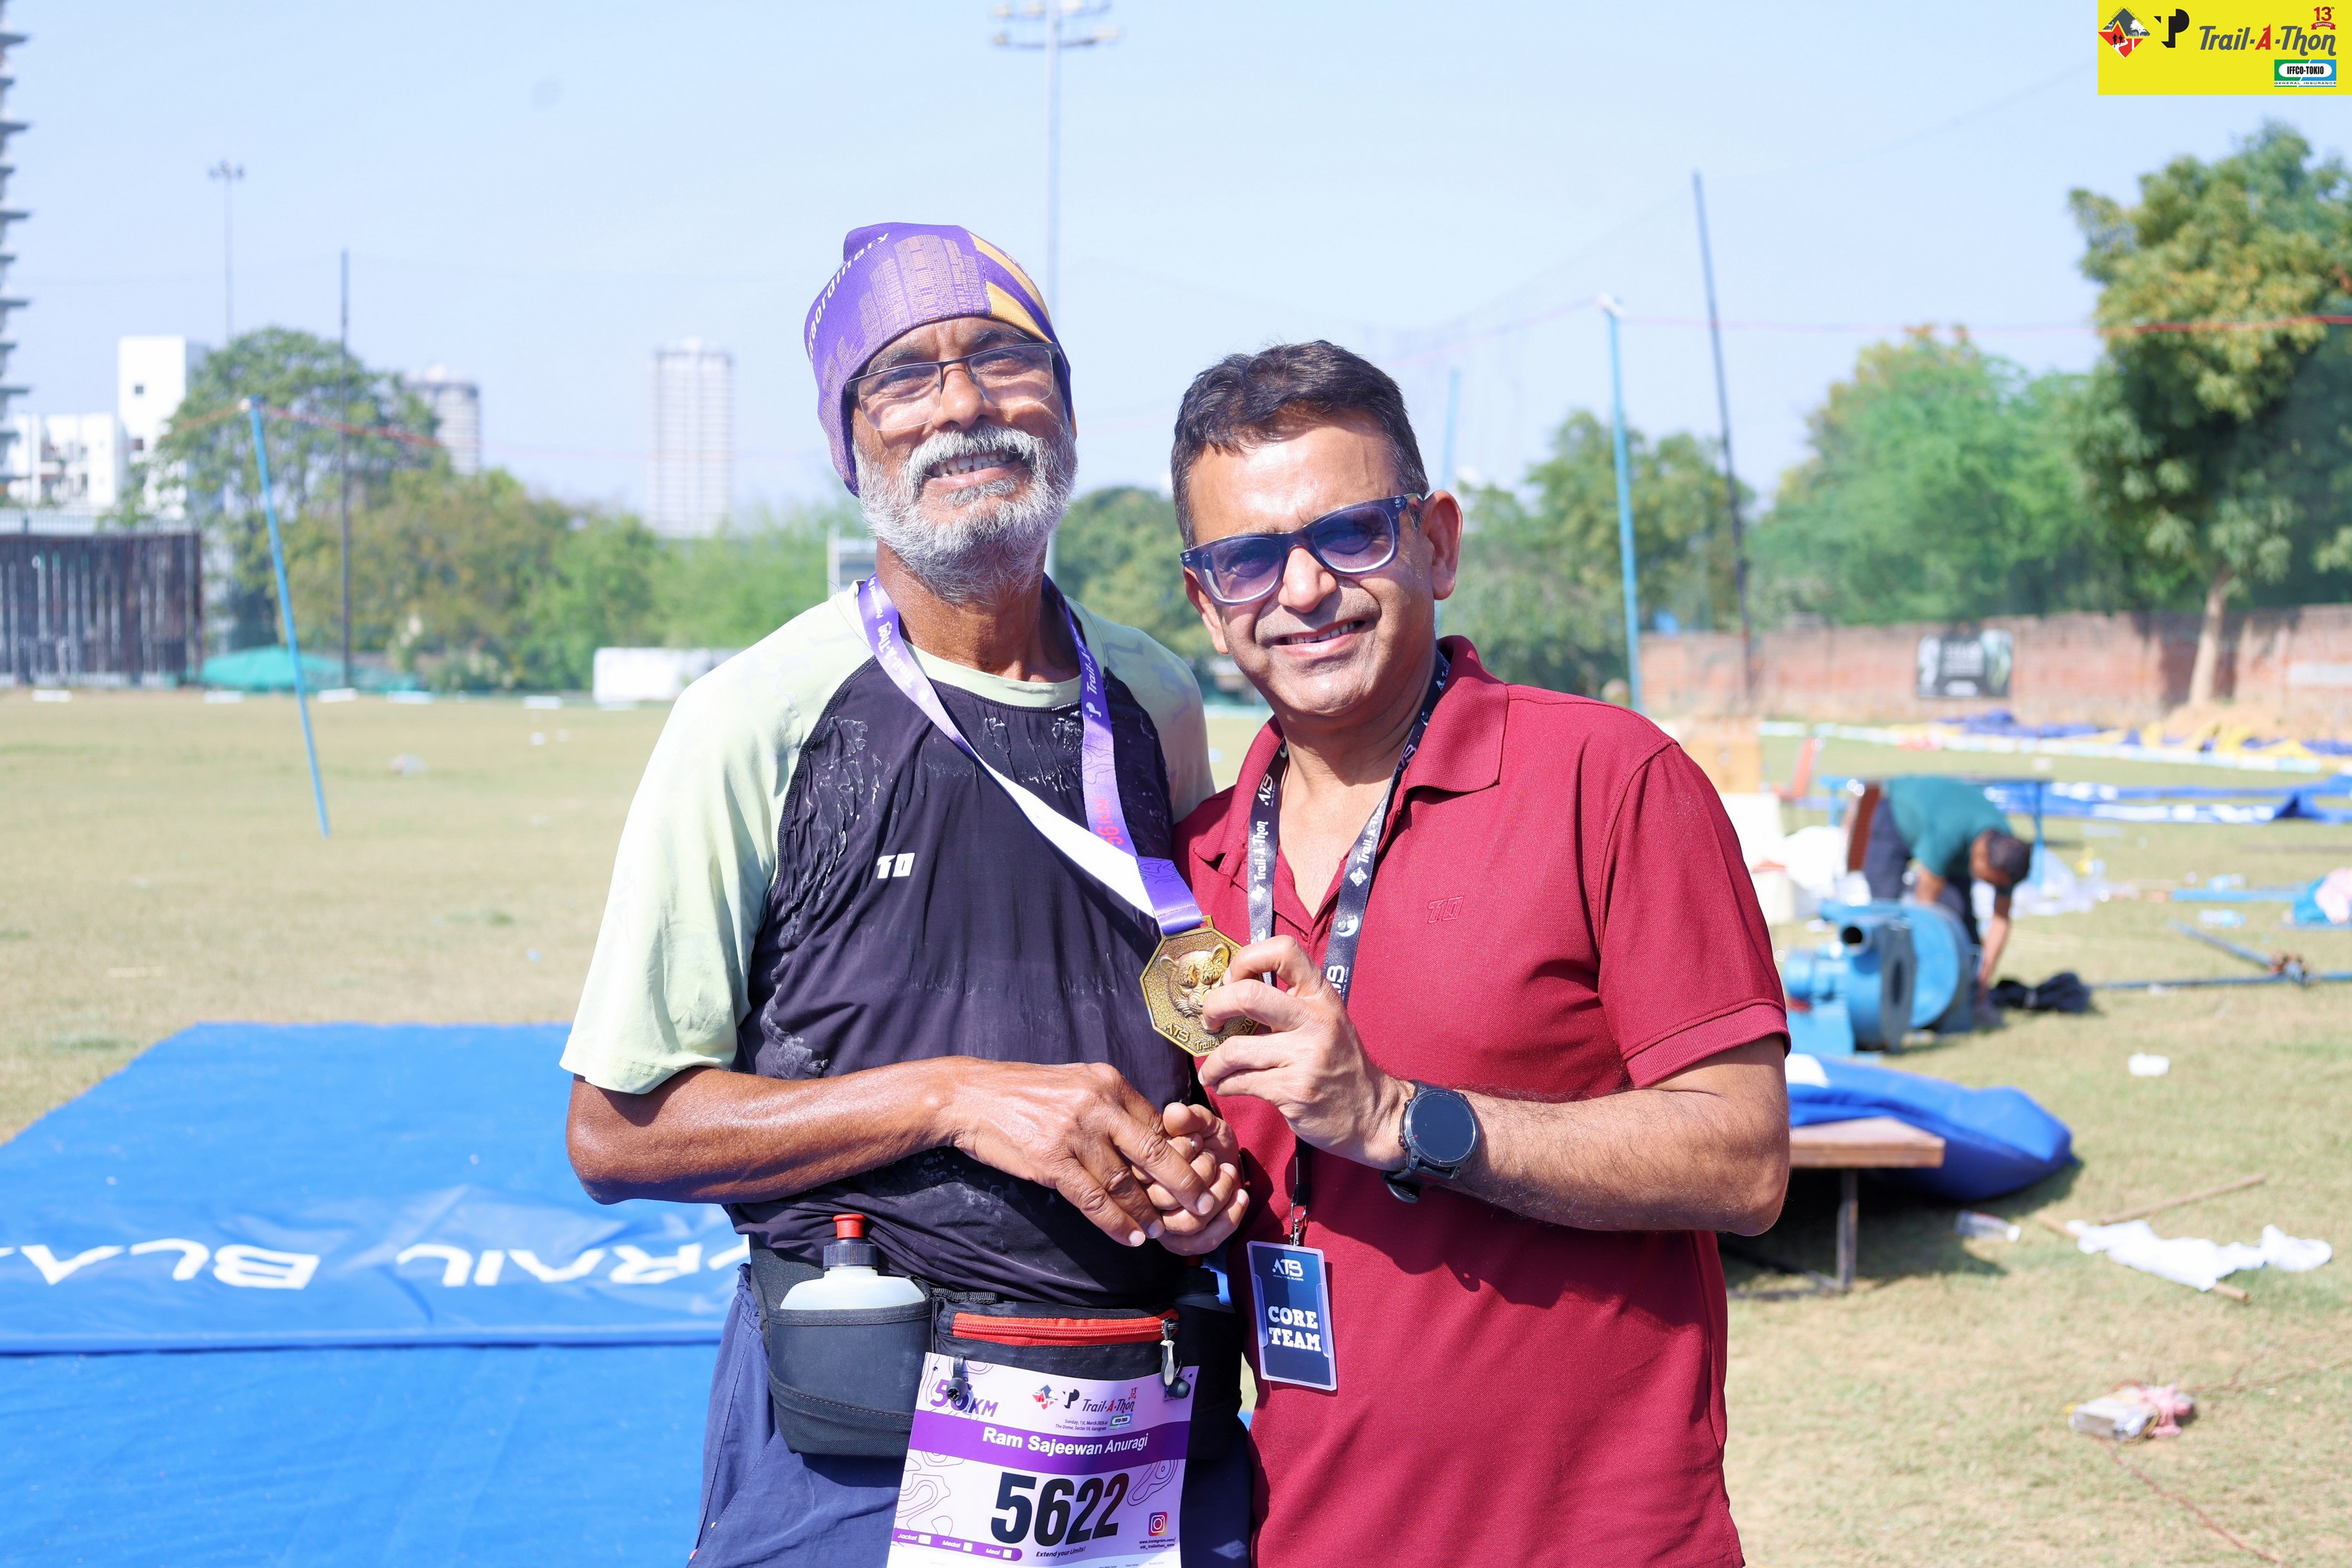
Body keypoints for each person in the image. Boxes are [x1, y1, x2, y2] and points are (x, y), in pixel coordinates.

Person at [560, 224, 1251, 1568]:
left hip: (1147, 1420)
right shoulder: (754, 717)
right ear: (848, 441)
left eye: (1003, 357)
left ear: (1064, 404)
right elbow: (616, 1133)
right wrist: (954, 1098)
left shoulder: (1156, 698)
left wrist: (1204, 1158)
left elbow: (1181, 1009)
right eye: (904, 376)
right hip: (863, 1438)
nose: (963, 404)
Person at [1161, 341, 1792, 1567]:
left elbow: (1746, 1160)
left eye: (1350, 533)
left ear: (1437, 543)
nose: (1303, 590)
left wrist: (1401, 1119)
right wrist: (1190, 1200)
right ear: (1205, 600)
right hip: (1306, 1539)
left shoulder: (1608, 779)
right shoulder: (1199, 860)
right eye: (1249, 557)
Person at [1853, 775, 2031, 1001]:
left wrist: (1984, 979)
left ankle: (1965, 994)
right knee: (1885, 907)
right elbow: (1924, 909)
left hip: (1951, 831)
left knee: (1961, 928)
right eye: (1989, 880)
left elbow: (2001, 920)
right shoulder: (1948, 836)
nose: (1991, 886)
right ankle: (1887, 988)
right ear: (1981, 856)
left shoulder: (2008, 855)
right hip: (1899, 813)